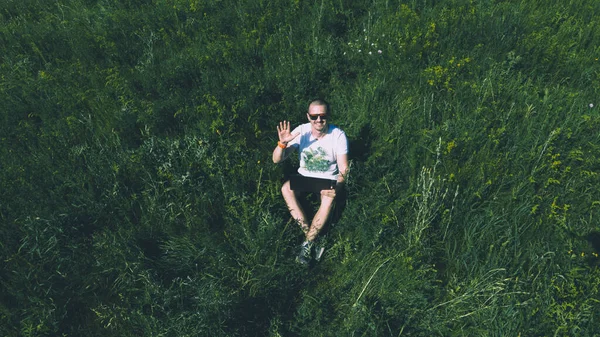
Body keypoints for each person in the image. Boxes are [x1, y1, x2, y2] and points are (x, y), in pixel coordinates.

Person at [272, 99, 349, 264]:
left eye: (322, 116)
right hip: (304, 177)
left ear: (328, 115)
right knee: (286, 189)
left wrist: (338, 186)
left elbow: (343, 169)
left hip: (327, 179)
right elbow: (276, 160)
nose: (318, 120)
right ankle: (311, 238)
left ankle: (306, 245)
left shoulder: (338, 135)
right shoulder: (302, 131)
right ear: (308, 116)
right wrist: (282, 144)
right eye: (314, 116)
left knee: (328, 198)